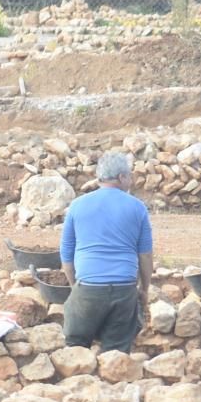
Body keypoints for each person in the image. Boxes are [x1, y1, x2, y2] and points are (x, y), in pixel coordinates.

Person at [59, 151, 154, 353]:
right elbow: (145, 255)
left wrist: (75, 286)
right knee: (116, 352)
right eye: (129, 175)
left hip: (87, 287)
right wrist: (144, 289)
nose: (131, 180)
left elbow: (66, 254)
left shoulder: (77, 206)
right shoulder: (138, 208)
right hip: (124, 289)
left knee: (75, 348)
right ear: (121, 177)